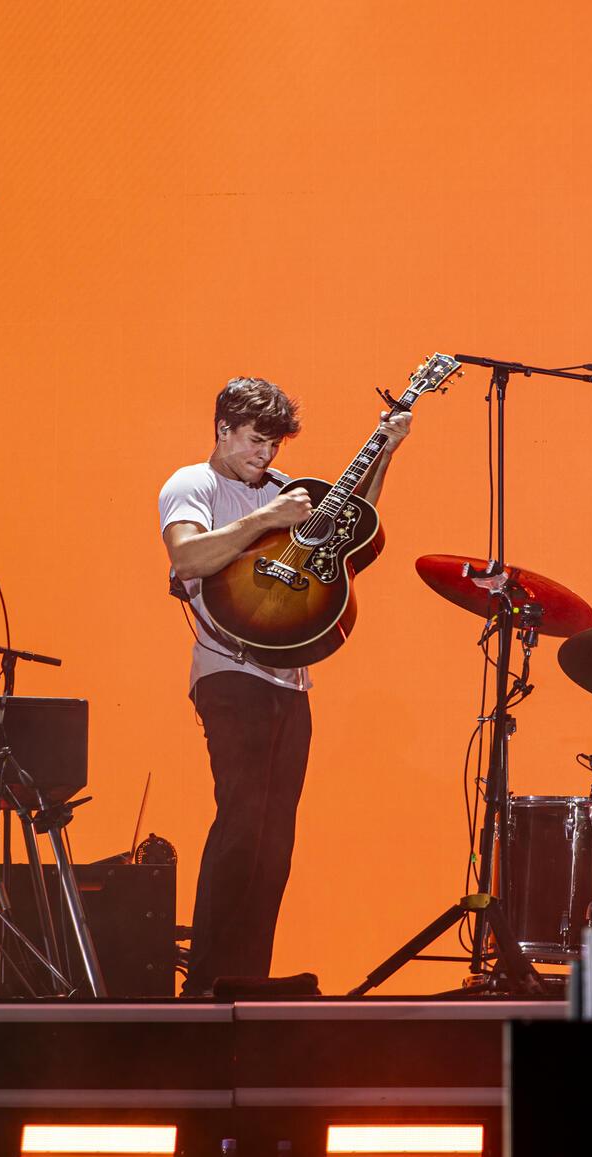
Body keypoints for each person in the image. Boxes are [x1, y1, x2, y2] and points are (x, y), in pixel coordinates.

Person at [159, 377, 409, 995]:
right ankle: (206, 980)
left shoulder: (285, 490)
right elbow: (187, 559)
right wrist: (267, 519)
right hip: (229, 672)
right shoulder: (195, 484)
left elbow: (356, 528)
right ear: (223, 429)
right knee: (242, 822)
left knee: (276, 838)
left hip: (290, 682)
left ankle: (248, 978)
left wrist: (387, 449)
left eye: (273, 445)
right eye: (254, 442)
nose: (265, 457)